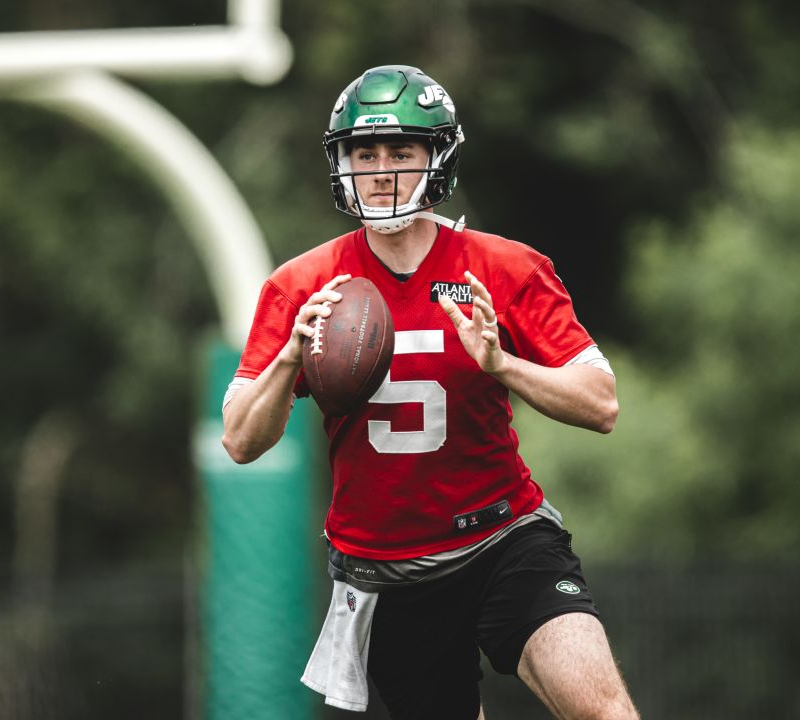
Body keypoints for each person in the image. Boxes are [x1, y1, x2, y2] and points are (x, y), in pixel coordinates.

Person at [221, 65, 638, 720]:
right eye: (365, 152)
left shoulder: (506, 268)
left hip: (504, 539)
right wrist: (288, 360)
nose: (380, 169)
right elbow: (240, 440)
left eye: (400, 151)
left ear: (435, 159)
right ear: (341, 162)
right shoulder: (302, 286)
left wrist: (504, 365)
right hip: (387, 574)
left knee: (604, 712)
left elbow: (601, 404)